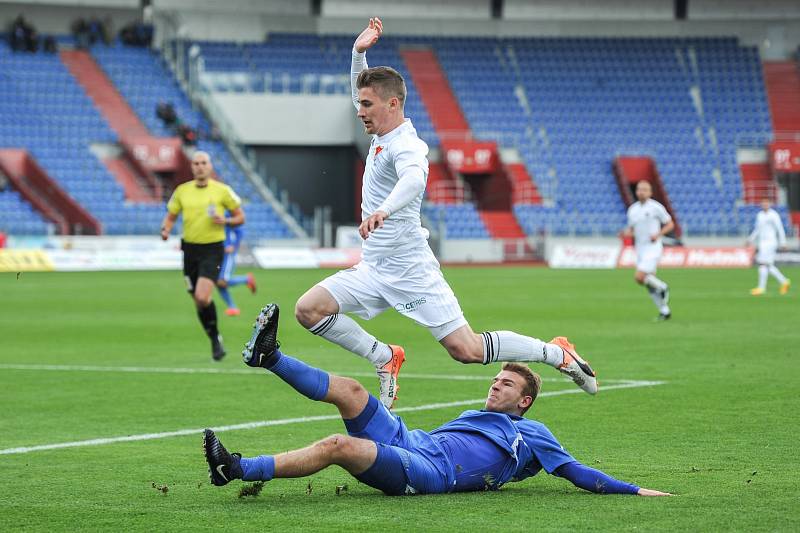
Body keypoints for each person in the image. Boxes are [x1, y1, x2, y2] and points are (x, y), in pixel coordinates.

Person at [293, 18, 597, 410]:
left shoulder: (407, 145)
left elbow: (415, 180)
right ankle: (383, 357)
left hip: (410, 267)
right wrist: (358, 53)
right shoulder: (381, 129)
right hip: (374, 267)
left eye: (366, 105)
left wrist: (383, 209)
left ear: (393, 104)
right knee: (308, 309)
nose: (359, 111)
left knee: (465, 349)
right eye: (360, 103)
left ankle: (557, 354)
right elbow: (363, 91)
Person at [204, 304, 670, 497]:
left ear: (525, 402)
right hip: (414, 439)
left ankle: (238, 468)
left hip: (431, 473)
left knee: (338, 447)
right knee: (351, 391)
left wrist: (633, 490)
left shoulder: (534, 435)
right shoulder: (478, 414)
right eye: (496, 379)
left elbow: (576, 472)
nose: (494, 385)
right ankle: (271, 356)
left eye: (506, 385)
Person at [160, 151, 244, 360]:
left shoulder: (223, 191)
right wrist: (166, 229)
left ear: (210, 166)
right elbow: (171, 216)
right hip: (189, 250)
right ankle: (214, 336)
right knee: (198, 302)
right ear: (192, 167)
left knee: (202, 296)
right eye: (196, 163)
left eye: (203, 163)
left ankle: (215, 340)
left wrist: (224, 222)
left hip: (213, 250)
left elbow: (240, 217)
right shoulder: (182, 191)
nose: (199, 166)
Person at [620, 180, 675, 321]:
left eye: (644, 189)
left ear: (650, 192)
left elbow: (670, 224)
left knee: (639, 276)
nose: (641, 192)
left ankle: (663, 287)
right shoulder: (632, 210)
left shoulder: (656, 207)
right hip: (640, 248)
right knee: (647, 283)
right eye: (639, 189)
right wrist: (626, 233)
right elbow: (633, 231)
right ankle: (664, 311)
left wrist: (658, 234)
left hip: (653, 247)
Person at [748, 199, 791, 296]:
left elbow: (779, 228)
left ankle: (761, 288)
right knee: (767, 265)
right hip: (762, 243)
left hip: (771, 242)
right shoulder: (760, 215)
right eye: (763, 204)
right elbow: (757, 229)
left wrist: (783, 242)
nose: (764, 205)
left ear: (770, 204)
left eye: (766, 203)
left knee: (763, 264)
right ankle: (784, 281)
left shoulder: (773, 215)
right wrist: (750, 239)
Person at [217, 219, 257, 316]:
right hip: (217, 254)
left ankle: (246, 279)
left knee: (222, 281)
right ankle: (233, 308)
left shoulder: (225, 215)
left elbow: (239, 231)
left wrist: (233, 246)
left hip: (227, 255)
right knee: (218, 282)